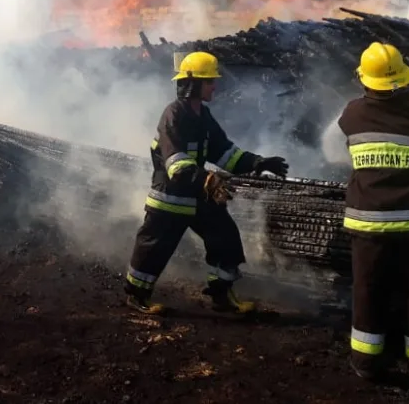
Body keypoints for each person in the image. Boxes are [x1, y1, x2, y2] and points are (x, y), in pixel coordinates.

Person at [123, 51, 290, 315]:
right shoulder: (173, 115)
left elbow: (224, 153)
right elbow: (176, 164)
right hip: (171, 196)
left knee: (226, 239)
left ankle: (221, 296)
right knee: (154, 247)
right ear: (193, 84)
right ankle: (137, 296)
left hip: (199, 192)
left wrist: (257, 163)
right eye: (209, 81)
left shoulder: (203, 115)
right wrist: (207, 178)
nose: (214, 85)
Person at [337, 42, 409, 388]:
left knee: (368, 291)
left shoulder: (352, 114)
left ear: (365, 80)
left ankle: (366, 364)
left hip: (368, 225)